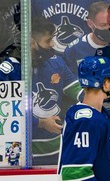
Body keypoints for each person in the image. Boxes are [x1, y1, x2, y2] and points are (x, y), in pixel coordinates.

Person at [31, 17, 83, 165]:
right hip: (22, 149)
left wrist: (98, 97)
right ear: (32, 42)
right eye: (48, 41)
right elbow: (7, 111)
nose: (53, 44)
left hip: (55, 150)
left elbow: (75, 89)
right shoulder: (15, 69)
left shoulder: (56, 62)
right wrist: (40, 122)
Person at [63, 1, 110, 77]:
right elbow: (71, 82)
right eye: (103, 25)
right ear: (90, 24)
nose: (108, 28)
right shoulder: (74, 50)